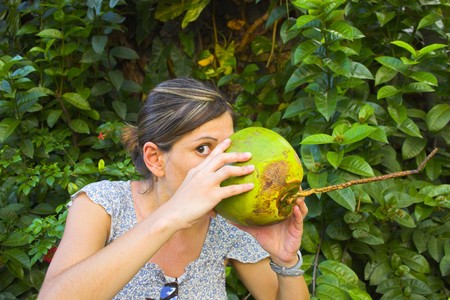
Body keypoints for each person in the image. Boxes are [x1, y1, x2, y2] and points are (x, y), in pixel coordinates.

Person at [38, 78, 310, 299]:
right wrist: (171, 217)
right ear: (155, 159)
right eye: (203, 148)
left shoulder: (227, 222)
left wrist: (286, 262)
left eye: (228, 148)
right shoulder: (103, 205)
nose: (219, 162)